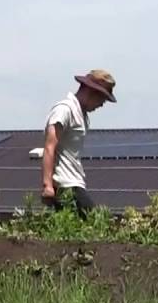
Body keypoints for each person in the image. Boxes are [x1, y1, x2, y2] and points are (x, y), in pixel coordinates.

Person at [41, 69, 117, 218]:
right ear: (91, 91)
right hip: (65, 183)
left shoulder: (82, 115)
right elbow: (49, 147)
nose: (102, 105)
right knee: (95, 221)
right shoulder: (64, 110)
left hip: (74, 181)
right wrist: (47, 185)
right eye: (102, 99)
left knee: (84, 224)